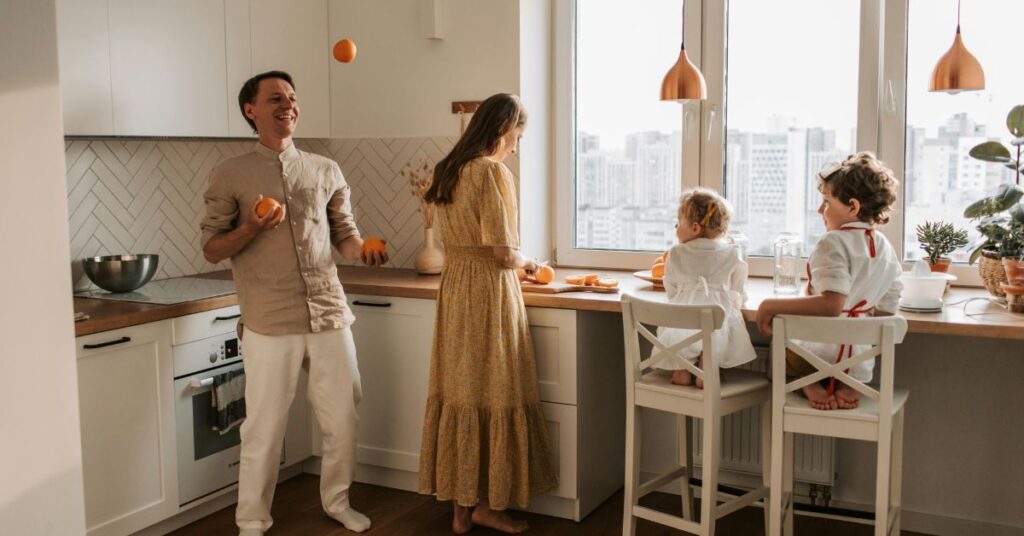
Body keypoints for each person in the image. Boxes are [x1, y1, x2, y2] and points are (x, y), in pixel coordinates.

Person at [200, 70, 387, 535]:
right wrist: (251, 228)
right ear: (251, 110)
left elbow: (344, 235)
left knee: (343, 417)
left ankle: (338, 503)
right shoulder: (230, 173)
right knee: (263, 427)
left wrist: (362, 251)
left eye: (292, 97)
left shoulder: (325, 169)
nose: (288, 105)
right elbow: (212, 249)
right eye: (275, 98)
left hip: (328, 310)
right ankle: (252, 519)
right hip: (268, 318)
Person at [417, 93, 557, 535]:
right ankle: (489, 507)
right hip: (488, 293)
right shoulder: (492, 173)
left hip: (456, 287)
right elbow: (502, 252)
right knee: (494, 392)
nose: (516, 146)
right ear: (503, 129)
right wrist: (530, 265)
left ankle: (462, 510)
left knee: (461, 392)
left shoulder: (449, 169)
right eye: (518, 135)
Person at [756, 152, 902, 411]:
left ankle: (808, 383)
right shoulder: (885, 247)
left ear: (852, 207)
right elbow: (887, 308)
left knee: (778, 350)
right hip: (858, 362)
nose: (819, 210)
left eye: (826, 202)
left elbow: (831, 305)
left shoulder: (832, 242)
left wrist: (769, 305)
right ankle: (847, 383)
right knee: (847, 352)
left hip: (816, 357)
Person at [649, 188, 756, 387]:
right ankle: (707, 366)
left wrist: (683, 296)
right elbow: (738, 288)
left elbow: (671, 288)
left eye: (679, 222)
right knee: (718, 329)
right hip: (716, 321)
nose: (675, 227)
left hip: (682, 323)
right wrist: (738, 302)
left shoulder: (675, 253)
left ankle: (681, 370)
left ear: (695, 228)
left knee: (681, 329)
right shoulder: (732, 252)